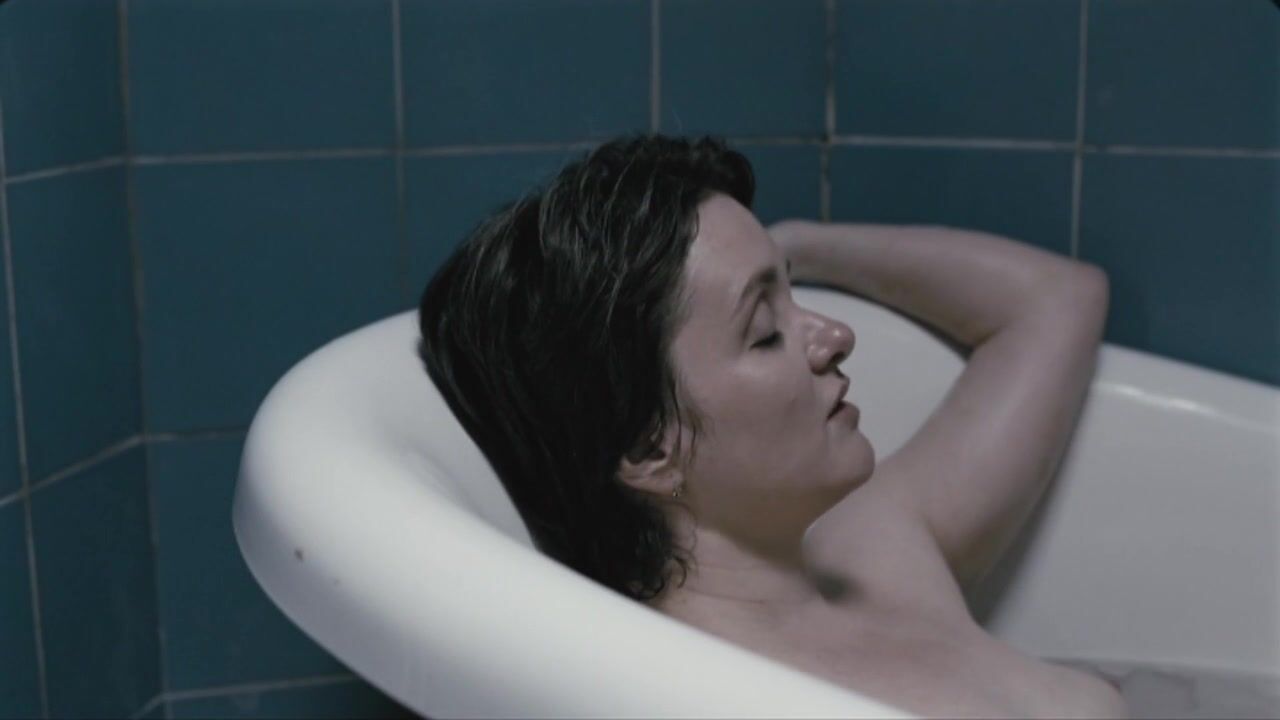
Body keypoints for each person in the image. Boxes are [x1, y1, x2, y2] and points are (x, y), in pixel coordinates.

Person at [416, 133, 1129, 718]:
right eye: (765, 332)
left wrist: (796, 246)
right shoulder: (694, 696)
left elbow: (1056, 300)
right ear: (649, 446)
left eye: (794, 295)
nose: (837, 335)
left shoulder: (869, 543)